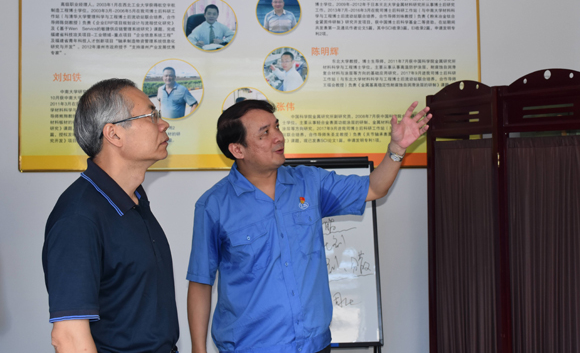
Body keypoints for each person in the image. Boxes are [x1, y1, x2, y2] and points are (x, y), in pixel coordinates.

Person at [186, 99, 431, 353]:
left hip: (314, 345)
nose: (278, 137)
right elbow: (201, 282)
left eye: (276, 126)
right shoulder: (214, 205)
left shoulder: (309, 182)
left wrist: (396, 149)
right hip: (250, 347)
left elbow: (374, 188)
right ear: (238, 149)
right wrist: (198, 349)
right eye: (265, 133)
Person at [42, 78, 179, 353]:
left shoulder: (133, 199)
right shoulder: (78, 218)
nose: (163, 124)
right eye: (151, 116)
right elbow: (69, 338)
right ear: (114, 134)